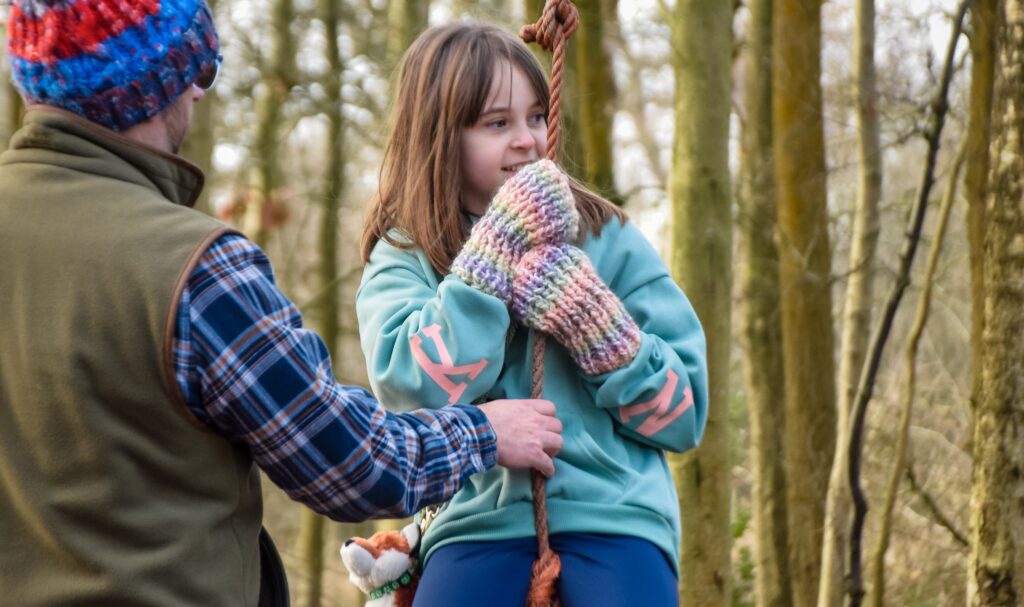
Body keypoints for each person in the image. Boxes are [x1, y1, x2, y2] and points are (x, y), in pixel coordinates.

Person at [0, 2, 563, 606]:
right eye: (201, 69)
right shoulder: (193, 268)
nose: (198, 94)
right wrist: (481, 431)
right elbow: (349, 463)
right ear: (161, 83)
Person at [357, 22, 709, 607]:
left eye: (537, 117)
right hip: (472, 523)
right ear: (441, 137)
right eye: (498, 123)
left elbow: (683, 417)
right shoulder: (405, 255)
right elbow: (411, 393)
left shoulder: (607, 237)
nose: (527, 139)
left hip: (617, 515)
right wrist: (488, 264)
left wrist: (600, 330)